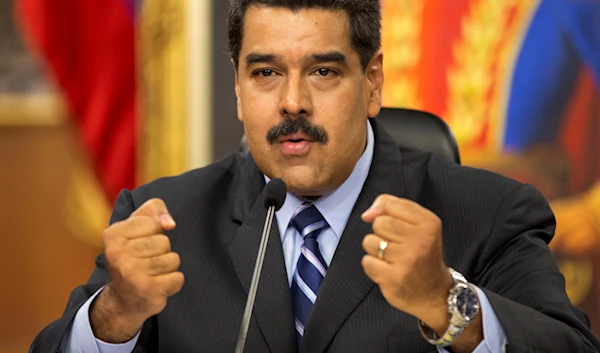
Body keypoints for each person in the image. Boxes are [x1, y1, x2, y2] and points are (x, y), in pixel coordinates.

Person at [30, 0, 600, 352]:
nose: (292, 102)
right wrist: (114, 316)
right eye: (266, 73)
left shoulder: (488, 212)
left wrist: (446, 301)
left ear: (373, 81)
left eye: (323, 71)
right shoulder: (162, 218)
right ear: (237, 87)